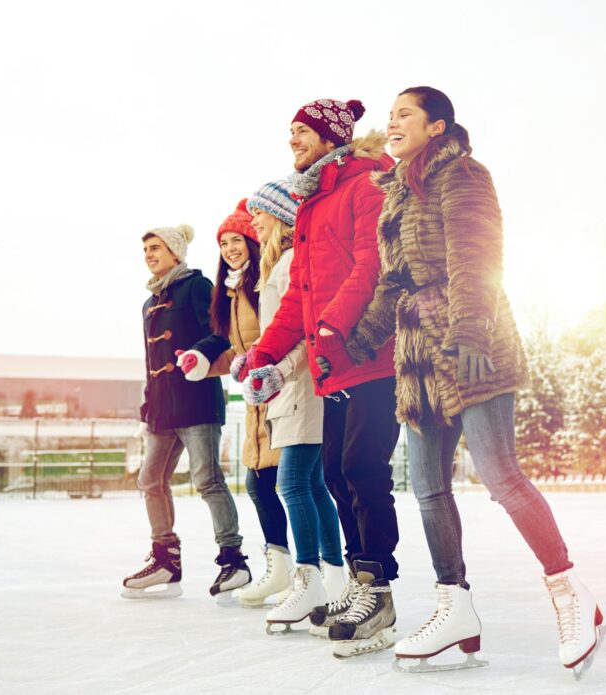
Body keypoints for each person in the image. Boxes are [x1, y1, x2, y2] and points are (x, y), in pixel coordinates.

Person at [344, 86, 606, 676]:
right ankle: (454, 606)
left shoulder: (462, 175)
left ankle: (571, 595)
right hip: (415, 357)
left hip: (470, 345)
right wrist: (357, 340)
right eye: (389, 117)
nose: (392, 123)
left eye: (404, 114)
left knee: (500, 474)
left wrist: (469, 331)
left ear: (436, 126)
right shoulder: (395, 194)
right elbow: (393, 285)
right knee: (428, 489)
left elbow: (477, 255)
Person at [242, 98, 401, 657]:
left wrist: (332, 328)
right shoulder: (312, 203)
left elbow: (371, 264)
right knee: (334, 473)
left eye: (301, 133)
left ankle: (377, 587)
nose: (292, 143)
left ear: (331, 136)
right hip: (333, 365)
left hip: (371, 353)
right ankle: (360, 586)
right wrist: (263, 352)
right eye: (289, 135)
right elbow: (297, 299)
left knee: (361, 468)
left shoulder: (366, 182)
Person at [122, 224, 250, 600]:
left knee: (207, 479)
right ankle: (166, 558)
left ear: (175, 252)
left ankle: (233, 559)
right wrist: (147, 406)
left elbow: (223, 331)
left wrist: (198, 354)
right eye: (145, 249)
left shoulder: (198, 286)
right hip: (161, 408)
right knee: (150, 480)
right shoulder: (149, 303)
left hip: (195, 399)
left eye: (155, 247)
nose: (149, 254)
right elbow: (151, 360)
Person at [241, 180, 346, 633]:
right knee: (313, 485)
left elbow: (302, 333)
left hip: (302, 390)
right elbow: (275, 333)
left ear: (283, 216)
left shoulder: (286, 266)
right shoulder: (276, 267)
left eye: (260, 213)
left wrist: (278, 370)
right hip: (290, 391)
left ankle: (310, 579)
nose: (254, 221)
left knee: (293, 484)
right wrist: (254, 360)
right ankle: (334, 580)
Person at [178, 201, 291, 607]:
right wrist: (204, 363)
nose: (229, 248)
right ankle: (281, 566)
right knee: (260, 485)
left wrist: (260, 363)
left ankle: (308, 569)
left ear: (253, 240)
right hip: (258, 400)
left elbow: (278, 335)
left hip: (285, 391)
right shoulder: (231, 292)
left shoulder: (263, 284)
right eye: (223, 243)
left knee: (288, 486)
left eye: (236, 240)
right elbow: (236, 349)